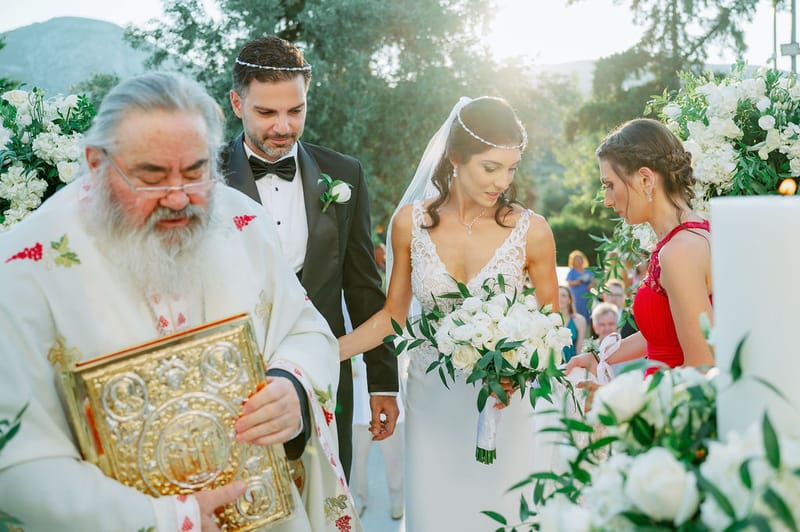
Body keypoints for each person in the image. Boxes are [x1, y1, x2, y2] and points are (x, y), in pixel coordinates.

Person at [0, 72, 358, 531]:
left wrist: (291, 384)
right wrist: (167, 519)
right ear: (96, 162)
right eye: (151, 177)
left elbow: (306, 329)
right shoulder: (26, 268)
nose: (178, 197)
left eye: (195, 172)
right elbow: (17, 460)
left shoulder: (243, 221)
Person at [338, 96, 560, 531]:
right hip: (432, 400)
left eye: (512, 168)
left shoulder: (532, 231)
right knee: (437, 515)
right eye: (491, 167)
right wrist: (325, 352)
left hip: (502, 402)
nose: (502, 180)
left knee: (502, 513)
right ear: (455, 157)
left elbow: (549, 327)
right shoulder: (410, 223)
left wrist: (519, 374)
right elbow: (392, 318)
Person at [222, 36, 399, 480]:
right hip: (232, 380)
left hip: (324, 377)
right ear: (237, 103)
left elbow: (362, 283)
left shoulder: (344, 174)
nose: (283, 126)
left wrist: (382, 381)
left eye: (295, 110)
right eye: (266, 112)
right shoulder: (204, 175)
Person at [567, 118, 713, 379]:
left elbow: (702, 368)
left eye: (610, 185)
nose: (607, 201)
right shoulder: (689, 236)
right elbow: (666, 335)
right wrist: (599, 357)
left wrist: (621, 402)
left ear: (645, 178)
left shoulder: (680, 252)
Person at [566, 249, 595, 325]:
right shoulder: (572, 272)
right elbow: (569, 283)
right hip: (576, 296)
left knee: (587, 312)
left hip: (586, 297)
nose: (579, 261)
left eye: (580, 259)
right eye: (576, 259)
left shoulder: (588, 271)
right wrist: (579, 281)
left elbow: (593, 281)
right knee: (576, 312)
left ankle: (587, 331)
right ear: (572, 261)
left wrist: (591, 285)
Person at [559, 285, 587, 362]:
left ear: (569, 300)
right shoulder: (548, 319)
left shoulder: (579, 320)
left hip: (571, 363)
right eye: (557, 295)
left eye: (563, 296)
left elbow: (579, 349)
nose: (559, 298)